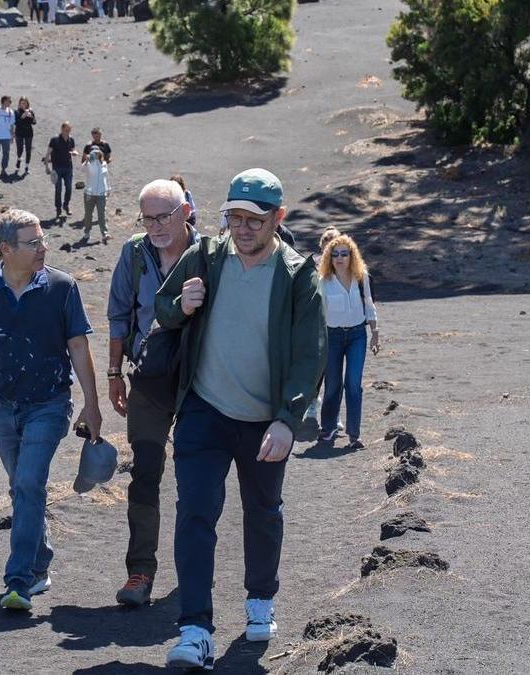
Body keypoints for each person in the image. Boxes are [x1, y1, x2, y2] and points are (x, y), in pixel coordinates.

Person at [155, 169, 325, 669]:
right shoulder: (206, 256)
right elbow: (163, 307)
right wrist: (181, 305)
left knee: (263, 511)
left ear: (278, 217)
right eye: (235, 217)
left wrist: (288, 418)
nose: (243, 228)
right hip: (203, 410)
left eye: (255, 219)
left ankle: (260, 599)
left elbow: (310, 354)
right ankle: (195, 631)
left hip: (265, 420)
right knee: (195, 513)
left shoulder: (297, 275)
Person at [0, 209, 104, 611]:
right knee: (21, 487)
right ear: (5, 249)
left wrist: (92, 405)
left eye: (43, 239)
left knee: (29, 483)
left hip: (50, 403)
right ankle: (40, 562)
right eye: (33, 242)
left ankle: (19, 580)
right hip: (3, 405)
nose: (43, 248)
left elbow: (78, 346)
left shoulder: (62, 287)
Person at [105, 179, 199, 607]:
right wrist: (114, 373)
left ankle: (196, 567)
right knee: (144, 473)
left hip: (200, 380)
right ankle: (140, 572)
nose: (157, 226)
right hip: (148, 377)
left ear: (185, 213)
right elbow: (119, 315)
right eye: (148, 219)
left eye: (165, 216)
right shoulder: (134, 254)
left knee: (197, 476)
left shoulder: (210, 253)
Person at [317, 234, 379, 450]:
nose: (340, 258)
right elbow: (318, 314)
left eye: (344, 253)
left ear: (352, 256)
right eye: (335, 254)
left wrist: (375, 332)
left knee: (353, 384)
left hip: (357, 336)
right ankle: (328, 427)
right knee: (333, 384)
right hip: (332, 337)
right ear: (329, 257)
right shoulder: (323, 282)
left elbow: (369, 305)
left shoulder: (362, 277)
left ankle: (354, 434)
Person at [299, 226, 344, 439]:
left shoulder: (345, 267)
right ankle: (312, 404)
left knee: (335, 374)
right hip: (318, 325)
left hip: (339, 327)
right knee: (317, 370)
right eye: (327, 247)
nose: (331, 252)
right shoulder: (315, 265)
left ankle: (334, 415)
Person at [42, 122, 77, 220]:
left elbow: (73, 149)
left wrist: (74, 152)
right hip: (57, 168)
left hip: (68, 167)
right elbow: (48, 153)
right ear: (62, 129)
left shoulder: (71, 140)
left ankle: (66, 205)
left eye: (69, 130)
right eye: (66, 130)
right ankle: (58, 208)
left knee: (69, 188)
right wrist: (47, 167)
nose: (68, 132)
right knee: (58, 189)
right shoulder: (54, 140)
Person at [81, 149, 111, 243]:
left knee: (102, 214)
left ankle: (104, 233)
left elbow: (106, 177)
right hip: (89, 194)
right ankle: (87, 232)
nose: (96, 155)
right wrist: (86, 161)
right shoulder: (89, 164)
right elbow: (83, 169)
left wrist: (108, 189)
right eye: (94, 153)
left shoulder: (104, 164)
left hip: (101, 194)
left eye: (98, 153)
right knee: (88, 214)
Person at [0, 96, 17, 175]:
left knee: (6, 153)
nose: (10, 102)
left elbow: (12, 125)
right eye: (9, 101)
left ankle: (3, 168)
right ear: (4, 101)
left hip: (6, 136)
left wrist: (12, 136)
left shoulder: (11, 112)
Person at [15, 97, 36, 172]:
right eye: (22, 103)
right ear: (19, 104)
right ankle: (19, 159)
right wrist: (22, 117)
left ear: (27, 103)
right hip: (19, 133)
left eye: (25, 103)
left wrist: (31, 116)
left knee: (28, 150)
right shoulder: (16, 112)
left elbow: (34, 122)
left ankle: (27, 166)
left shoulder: (30, 111)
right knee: (20, 149)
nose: (23, 105)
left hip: (28, 133)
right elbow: (16, 123)